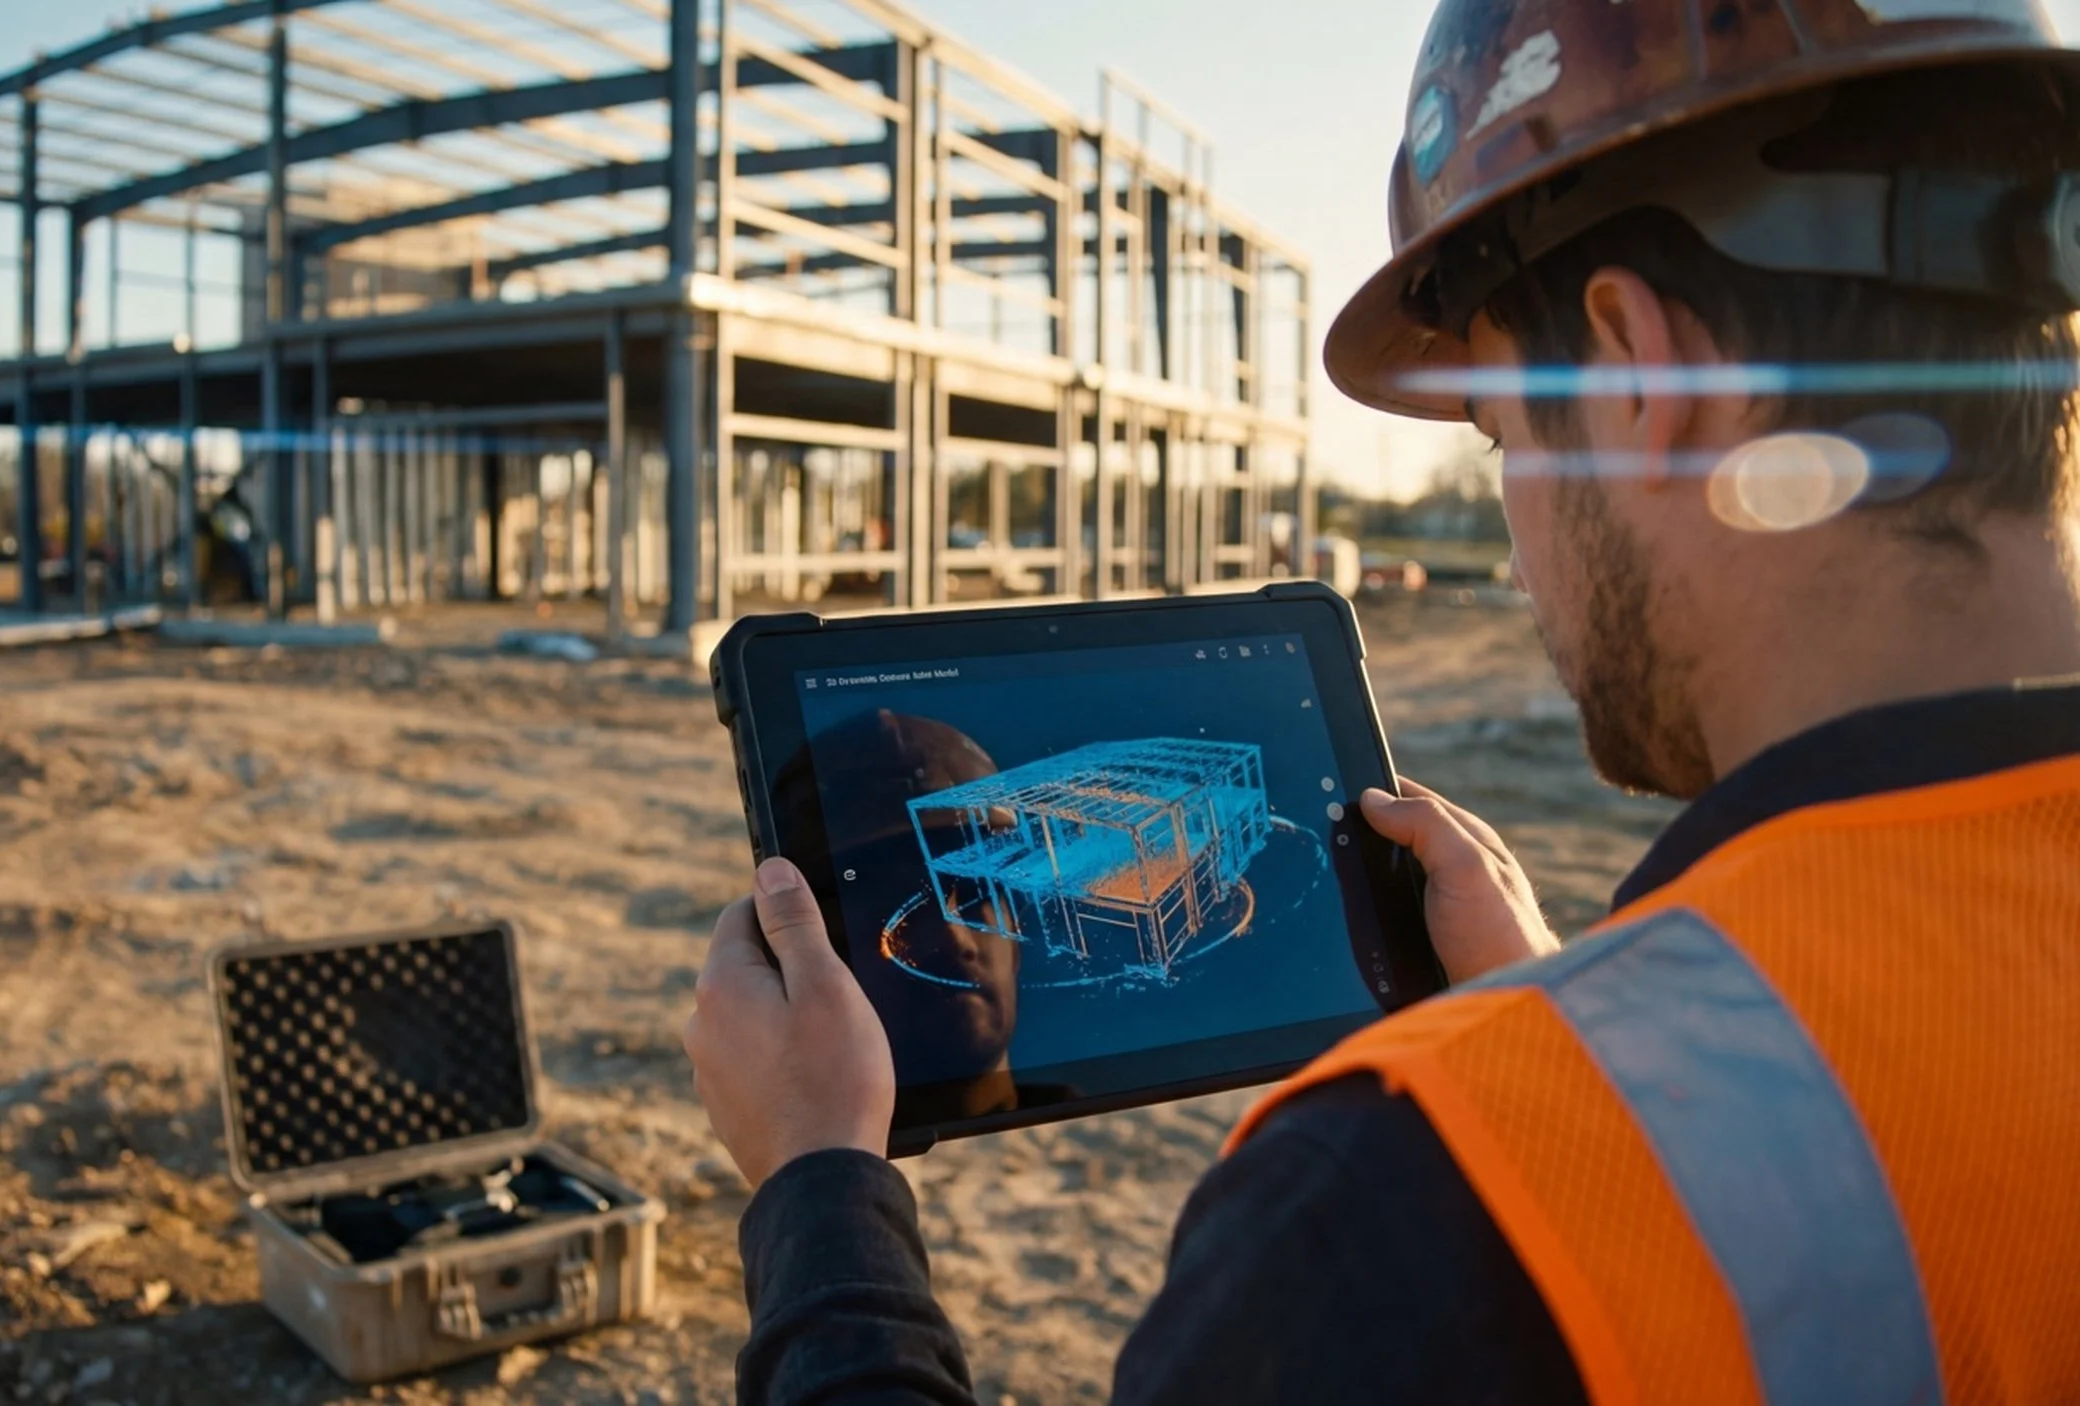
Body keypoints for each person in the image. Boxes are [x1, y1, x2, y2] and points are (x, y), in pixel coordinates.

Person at [681, 0, 2080, 1401]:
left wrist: (818, 1187)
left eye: (1500, 438)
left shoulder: (1401, 1209)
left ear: (1639, 368)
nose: (1524, 544)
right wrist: (1557, 1014)